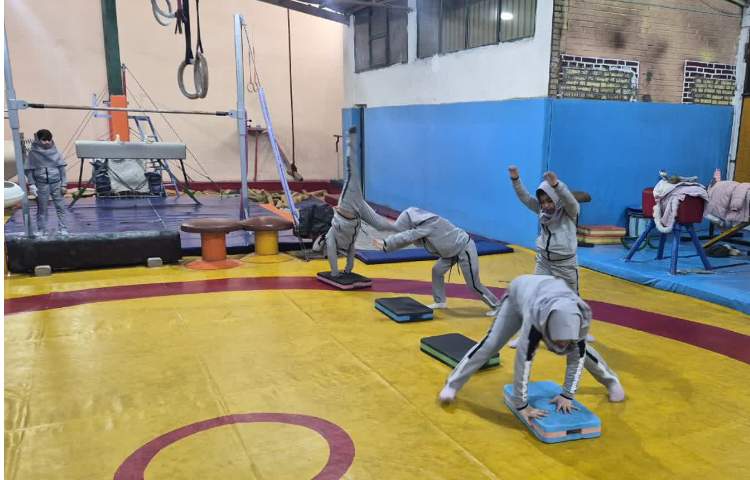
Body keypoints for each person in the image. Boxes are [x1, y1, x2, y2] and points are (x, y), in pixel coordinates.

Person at [438, 274, 625, 423]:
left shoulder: (579, 320)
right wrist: (522, 406)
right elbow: (523, 362)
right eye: (558, 341)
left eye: (565, 341)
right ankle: (452, 384)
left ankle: (611, 381)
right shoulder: (534, 325)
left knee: (580, 350)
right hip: (518, 295)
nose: (561, 347)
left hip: (552, 295)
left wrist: (567, 394)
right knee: (491, 343)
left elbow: (578, 356)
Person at [373, 207, 499, 315]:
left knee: (473, 284)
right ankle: (440, 301)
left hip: (463, 248)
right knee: (437, 271)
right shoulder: (422, 224)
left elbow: (407, 236)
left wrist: (386, 243)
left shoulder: (428, 224)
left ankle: (497, 306)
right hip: (450, 252)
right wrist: (387, 245)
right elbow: (407, 237)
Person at [25, 129, 68, 236]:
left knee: (61, 207)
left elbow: (62, 169)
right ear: (38, 140)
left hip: (56, 183)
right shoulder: (33, 154)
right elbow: (29, 170)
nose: (47, 142)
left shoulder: (55, 152)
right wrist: (32, 184)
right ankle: (41, 229)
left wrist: (64, 184)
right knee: (42, 209)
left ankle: (63, 228)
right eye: (44, 140)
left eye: (49, 139)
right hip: (41, 185)